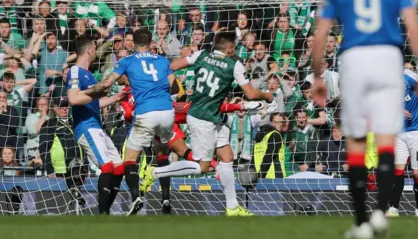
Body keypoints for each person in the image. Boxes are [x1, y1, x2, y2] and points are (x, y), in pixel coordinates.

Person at [312, 0, 418, 239]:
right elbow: (413, 26)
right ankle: (381, 213)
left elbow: (321, 34)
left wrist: (318, 75)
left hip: (354, 57)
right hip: (389, 56)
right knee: (387, 137)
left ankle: (362, 222)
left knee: (357, 140)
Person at [140, 31, 273, 216]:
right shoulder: (234, 65)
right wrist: (266, 95)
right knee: (202, 167)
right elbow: (250, 94)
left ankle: (233, 207)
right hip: (203, 118)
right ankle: (154, 173)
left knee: (226, 156)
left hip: (208, 115)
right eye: (234, 49)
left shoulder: (201, 55)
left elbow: (172, 65)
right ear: (229, 49)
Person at [95, 28, 175, 215]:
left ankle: (136, 196)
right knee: (162, 154)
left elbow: (108, 82)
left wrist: (95, 90)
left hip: (146, 111)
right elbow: (175, 86)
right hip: (166, 111)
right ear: (151, 42)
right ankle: (165, 199)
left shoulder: (127, 61)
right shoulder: (164, 61)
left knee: (130, 158)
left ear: (133, 43)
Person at [66, 35, 125, 215]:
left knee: (119, 167)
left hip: (97, 126)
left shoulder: (90, 74)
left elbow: (93, 102)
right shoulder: (75, 71)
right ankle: (103, 214)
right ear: (90, 50)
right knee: (106, 166)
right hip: (86, 126)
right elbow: (74, 99)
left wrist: (115, 97)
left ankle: (105, 209)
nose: (97, 51)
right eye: (95, 47)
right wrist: (96, 91)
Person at [386, 67, 418, 218]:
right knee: (397, 170)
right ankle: (393, 209)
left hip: (417, 132)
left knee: (417, 173)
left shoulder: (409, 76)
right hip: (398, 132)